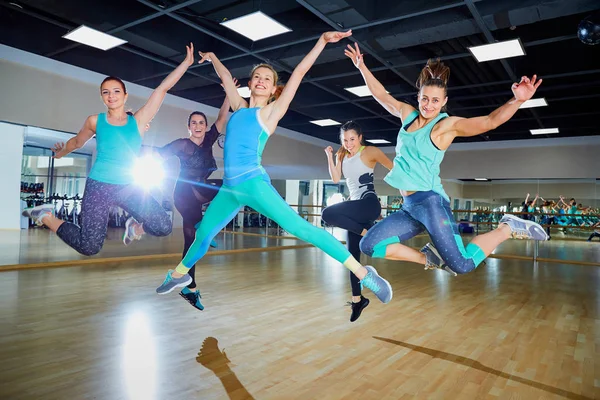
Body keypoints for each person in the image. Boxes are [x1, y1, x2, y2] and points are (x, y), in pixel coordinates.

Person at [155, 31, 393, 310]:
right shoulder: (239, 107)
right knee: (203, 233)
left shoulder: (270, 113)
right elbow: (224, 77)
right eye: (257, 77)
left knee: (301, 229)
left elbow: (300, 72)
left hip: (254, 184)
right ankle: (179, 275)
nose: (261, 81)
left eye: (267, 79)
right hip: (230, 189)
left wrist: (321, 42)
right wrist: (213, 58)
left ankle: (365, 275)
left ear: (273, 89)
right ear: (250, 83)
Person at [342, 43, 548, 276]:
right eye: (425, 99)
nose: (428, 105)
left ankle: (507, 227)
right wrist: (361, 67)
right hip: (409, 207)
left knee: (461, 265)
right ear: (418, 97)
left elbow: (489, 121)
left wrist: (518, 100)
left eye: (435, 101)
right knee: (368, 244)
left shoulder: (445, 126)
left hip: (431, 204)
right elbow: (380, 94)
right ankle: (429, 258)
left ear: (444, 101)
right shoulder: (407, 115)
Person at [22, 44, 197, 256]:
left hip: (129, 186)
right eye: (106, 92)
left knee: (162, 226)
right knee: (89, 246)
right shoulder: (95, 121)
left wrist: (186, 64)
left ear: (125, 95)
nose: (111, 95)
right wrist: (60, 154)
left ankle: (134, 227)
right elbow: (77, 142)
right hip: (99, 186)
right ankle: (46, 216)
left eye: (116, 91)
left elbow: (162, 89)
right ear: (102, 97)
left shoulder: (139, 121)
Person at [151, 89, 236, 310]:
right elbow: (158, 153)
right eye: (194, 123)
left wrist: (227, 94)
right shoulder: (182, 144)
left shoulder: (209, 139)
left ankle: (189, 289)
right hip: (184, 194)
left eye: (201, 123)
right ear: (189, 127)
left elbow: (221, 118)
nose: (198, 126)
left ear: (205, 126)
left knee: (192, 244)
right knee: (227, 186)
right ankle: (204, 226)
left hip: (197, 194)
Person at [321, 121, 393, 322]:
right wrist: (330, 156)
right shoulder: (342, 154)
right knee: (352, 260)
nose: (348, 143)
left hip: (368, 204)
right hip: (355, 212)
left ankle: (367, 232)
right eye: (344, 140)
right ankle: (357, 300)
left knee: (327, 214)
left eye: (352, 139)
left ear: (360, 137)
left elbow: (392, 168)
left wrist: (407, 194)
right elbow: (335, 179)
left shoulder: (370, 151)